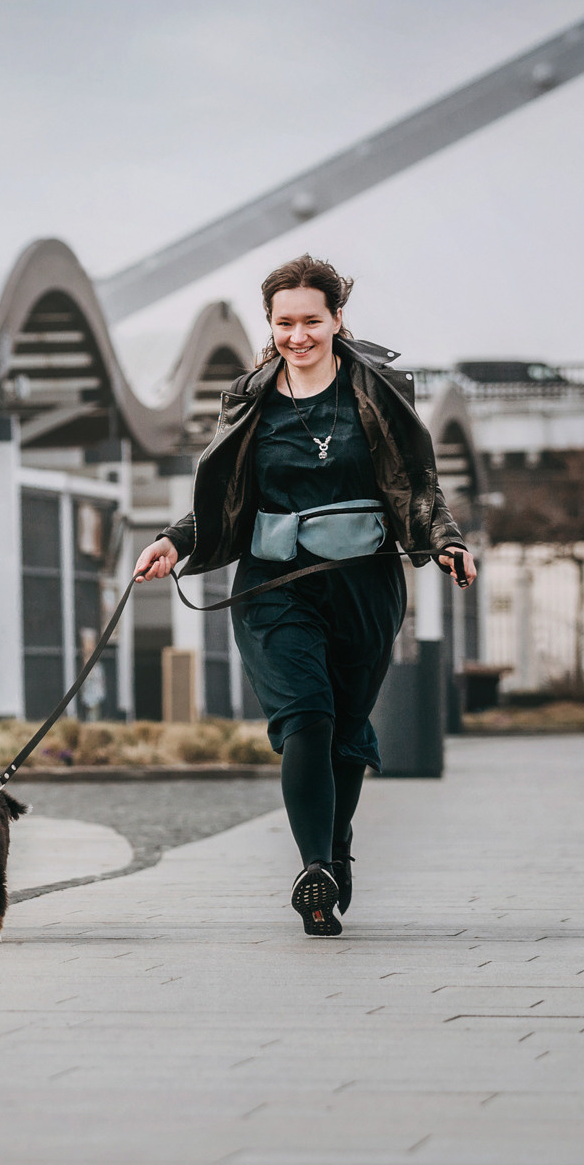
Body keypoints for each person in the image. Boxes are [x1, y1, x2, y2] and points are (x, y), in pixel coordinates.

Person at [131, 254, 475, 937]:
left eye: (311, 320)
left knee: (346, 731)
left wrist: (446, 540)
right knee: (306, 717)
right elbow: (224, 494)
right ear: (271, 323)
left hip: (363, 585)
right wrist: (175, 538)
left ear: (337, 318)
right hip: (272, 586)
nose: (298, 335)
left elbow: (415, 483)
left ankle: (337, 848)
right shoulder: (248, 398)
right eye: (284, 322)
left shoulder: (377, 392)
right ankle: (314, 865)